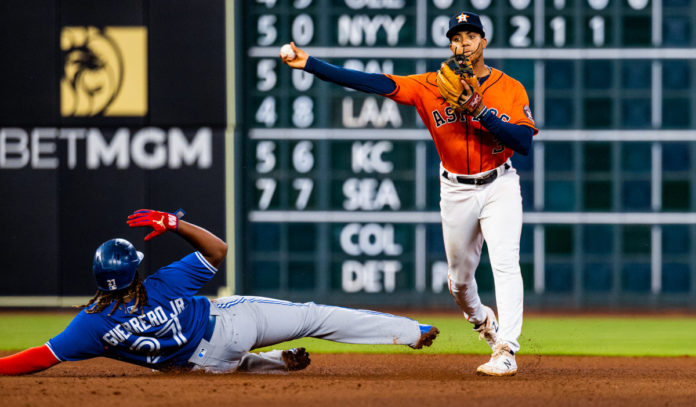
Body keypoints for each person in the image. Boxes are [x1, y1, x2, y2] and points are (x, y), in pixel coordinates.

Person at [280, 11, 537, 376]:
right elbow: (372, 82)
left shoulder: (509, 87)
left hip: (500, 184)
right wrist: (310, 64)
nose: (462, 43)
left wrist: (480, 111)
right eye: (456, 38)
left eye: (469, 36)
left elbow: (523, 141)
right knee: (460, 281)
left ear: (483, 42)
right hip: (456, 190)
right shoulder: (430, 85)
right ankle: (483, 322)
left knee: (506, 263)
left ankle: (507, 349)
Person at [0, 209, 439, 375]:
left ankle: (270, 367)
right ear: (135, 268)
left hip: (205, 366)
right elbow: (218, 249)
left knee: (180, 367)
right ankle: (410, 330)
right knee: (314, 316)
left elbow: (41, 356)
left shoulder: (90, 326)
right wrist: (174, 224)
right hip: (230, 321)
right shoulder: (163, 282)